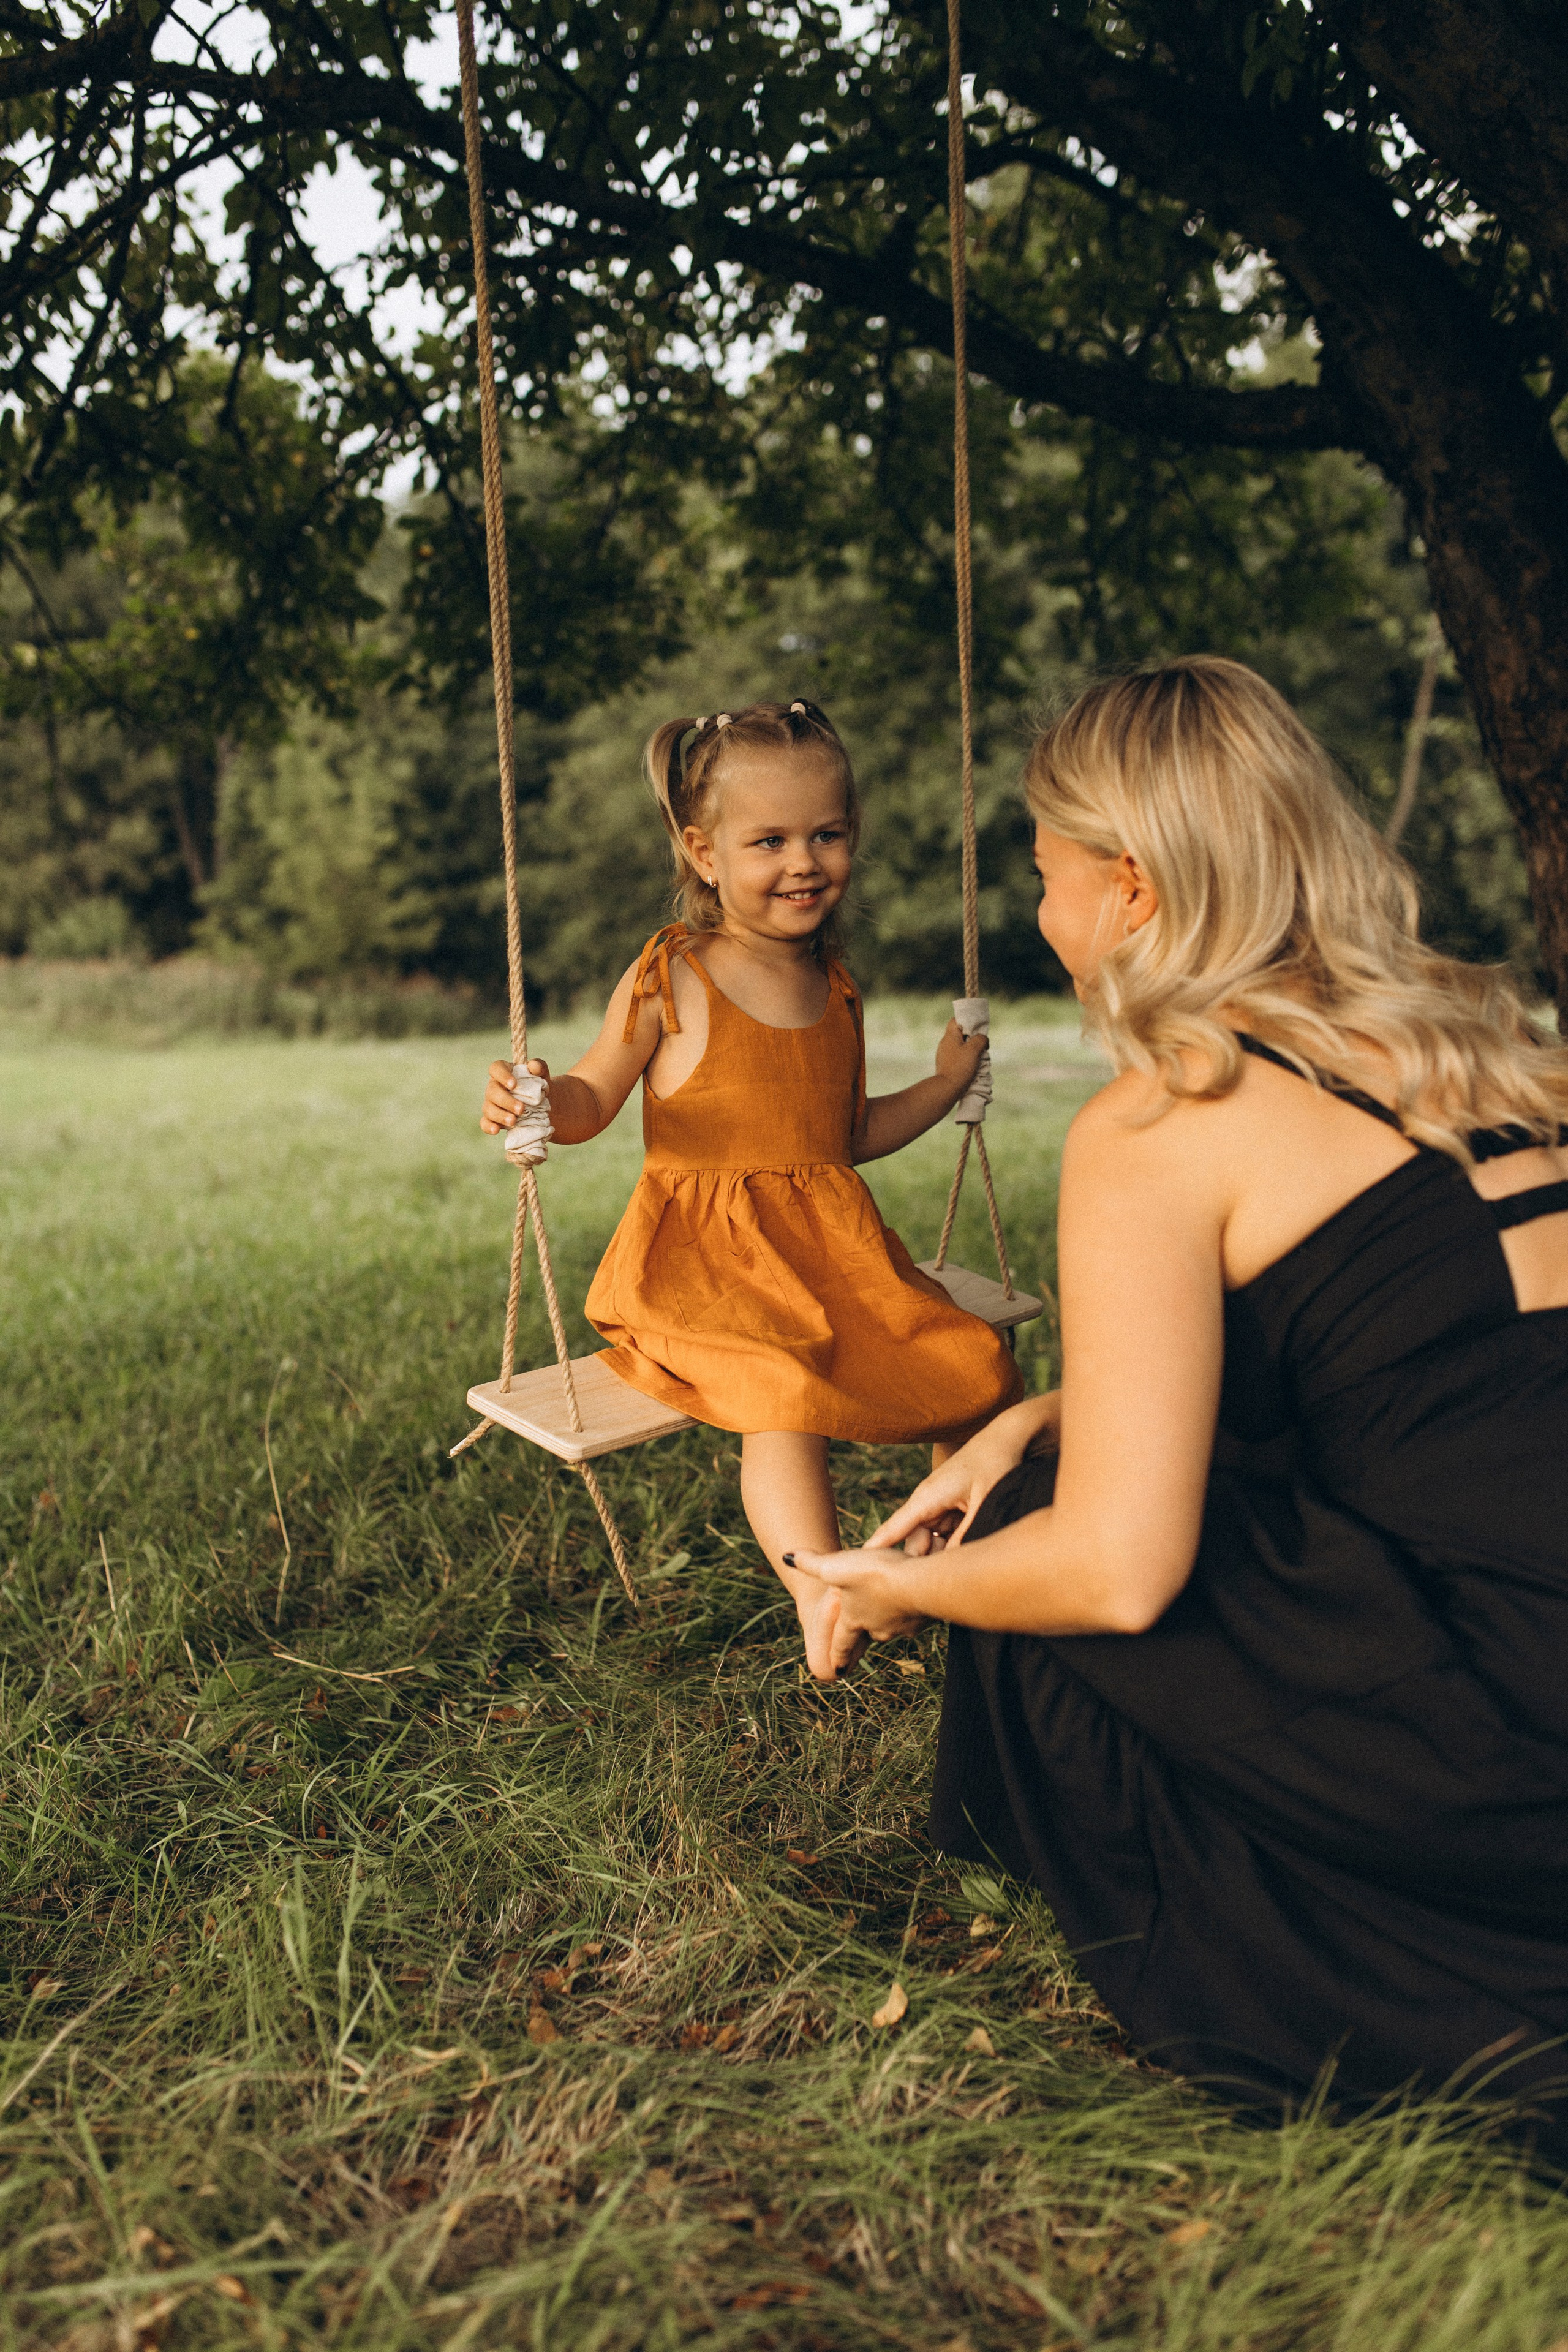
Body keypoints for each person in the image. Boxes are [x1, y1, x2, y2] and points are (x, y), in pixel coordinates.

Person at [788, 657, 1568, 2136]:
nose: (1043, 914)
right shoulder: (1482, 1052)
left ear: (1130, 889)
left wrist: (892, 1586)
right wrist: (1033, 1412)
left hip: (1510, 1742)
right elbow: (1432, 1375)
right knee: (1047, 1477)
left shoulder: (1163, 1119)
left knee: (1038, 1549)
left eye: (1044, 877)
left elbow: (1119, 1570)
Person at [480, 698, 1022, 1678]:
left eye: (827, 835)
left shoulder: (838, 987)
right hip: (704, 1264)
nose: (803, 862)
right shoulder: (673, 974)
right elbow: (594, 1097)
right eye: (769, 841)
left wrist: (946, 1085)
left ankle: (939, 1551)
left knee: (974, 1363)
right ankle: (821, 1586)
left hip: (828, 1253)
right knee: (784, 1390)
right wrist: (538, 1103)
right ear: (704, 853)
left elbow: (846, 1137)